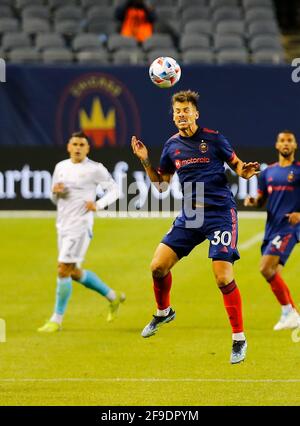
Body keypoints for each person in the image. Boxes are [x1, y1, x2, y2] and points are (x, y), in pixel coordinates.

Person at [131, 90, 260, 364]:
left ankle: (239, 338)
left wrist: (244, 171)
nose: (181, 115)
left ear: (196, 113)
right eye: (177, 111)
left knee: (223, 278)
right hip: (191, 216)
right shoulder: (171, 146)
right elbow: (162, 186)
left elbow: (237, 165)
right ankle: (164, 311)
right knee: (157, 267)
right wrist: (144, 160)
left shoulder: (214, 139)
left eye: (186, 110)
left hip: (220, 214)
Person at [38, 131, 125, 333]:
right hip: (62, 225)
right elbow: (54, 199)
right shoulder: (61, 167)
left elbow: (115, 190)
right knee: (74, 272)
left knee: (62, 269)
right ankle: (113, 297)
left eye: (82, 144)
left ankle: (56, 320)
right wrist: (55, 192)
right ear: (69, 146)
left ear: (87, 148)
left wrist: (99, 204)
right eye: (74, 143)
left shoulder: (95, 169)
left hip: (80, 226)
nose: (78, 147)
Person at [244, 130, 300, 330]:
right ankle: (292, 313)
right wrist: (253, 201)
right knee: (274, 272)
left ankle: (289, 312)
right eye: (282, 141)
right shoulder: (267, 173)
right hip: (271, 229)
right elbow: (261, 200)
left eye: (289, 141)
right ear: (276, 145)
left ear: (295, 146)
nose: (286, 144)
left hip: (289, 228)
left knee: (265, 268)